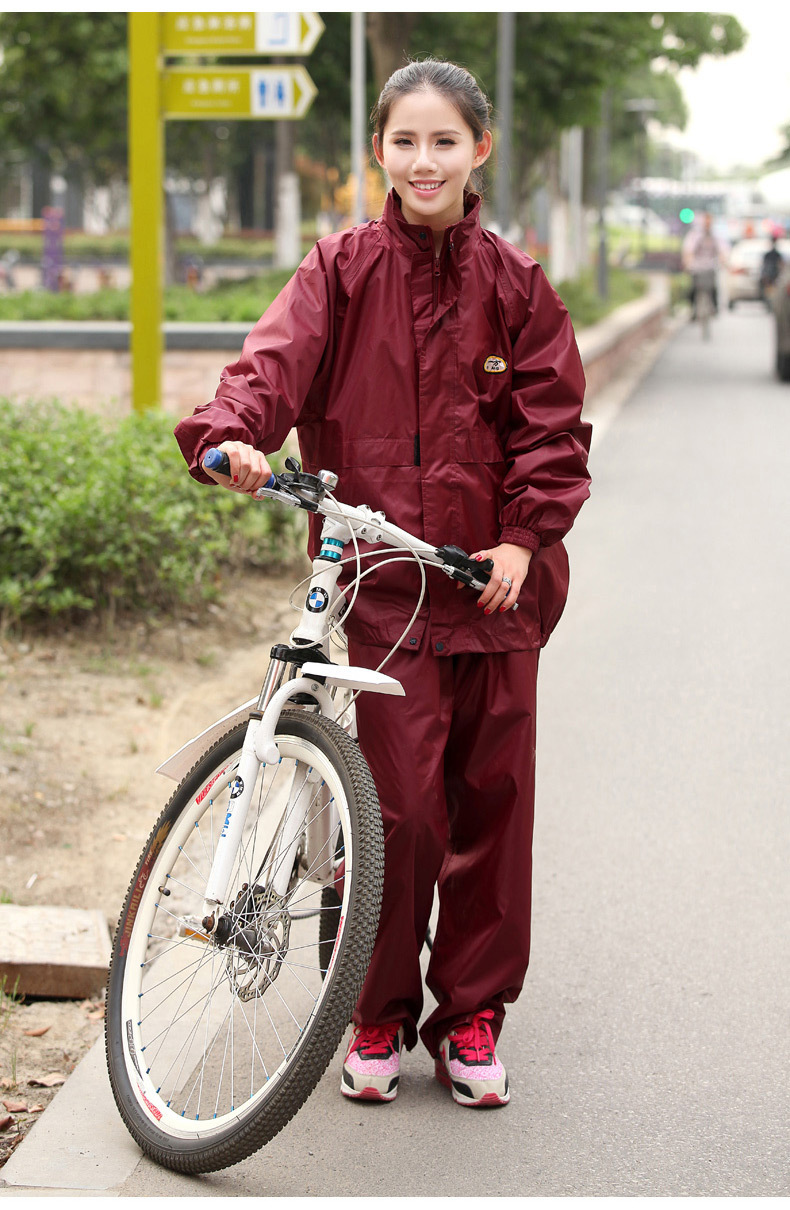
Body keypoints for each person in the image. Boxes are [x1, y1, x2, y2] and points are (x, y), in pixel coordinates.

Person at [174, 58, 591, 1109]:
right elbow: (271, 365)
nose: (423, 160)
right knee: (396, 812)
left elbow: (552, 431)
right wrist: (233, 436)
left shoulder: (516, 286)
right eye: (404, 141)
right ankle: (372, 1011)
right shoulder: (340, 271)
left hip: (495, 593)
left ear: (478, 152)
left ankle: (472, 1017)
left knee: (490, 811)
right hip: (389, 589)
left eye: (444, 141)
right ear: (378, 151)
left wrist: (522, 541)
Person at [682, 211, 724, 319]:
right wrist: (688, 263)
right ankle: (693, 311)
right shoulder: (695, 234)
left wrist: (723, 261)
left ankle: (714, 308)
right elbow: (688, 250)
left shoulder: (716, 235)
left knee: (714, 288)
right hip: (697, 267)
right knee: (693, 289)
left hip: (710, 266)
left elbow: (722, 250)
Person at [760, 235, 784, 305]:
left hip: (774, 276)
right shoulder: (770, 254)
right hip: (770, 276)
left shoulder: (776, 254)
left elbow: (781, 265)